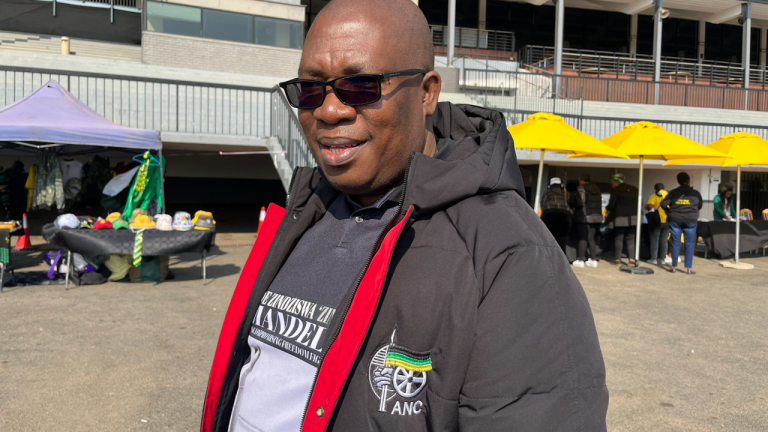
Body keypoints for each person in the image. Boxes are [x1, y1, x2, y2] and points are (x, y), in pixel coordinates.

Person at [200, 1, 608, 431]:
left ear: (427, 92)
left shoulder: (509, 255)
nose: (328, 110)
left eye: (361, 85)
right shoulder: (307, 209)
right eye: (310, 89)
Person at [661, 172, 703, 274]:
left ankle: (674, 267)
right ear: (689, 181)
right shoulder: (696, 193)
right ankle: (688, 268)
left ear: (678, 181)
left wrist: (668, 210)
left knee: (675, 243)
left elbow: (663, 204)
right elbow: (700, 205)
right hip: (690, 220)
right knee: (689, 243)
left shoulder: (673, 192)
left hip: (675, 219)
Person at [570, 173, 604, 268]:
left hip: (584, 217)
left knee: (582, 238)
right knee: (591, 238)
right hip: (596, 217)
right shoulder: (597, 189)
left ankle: (581, 260)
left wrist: (573, 204)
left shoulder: (581, 189)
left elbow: (580, 202)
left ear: (581, 180)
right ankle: (593, 260)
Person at [606, 173, 639, 266]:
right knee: (631, 238)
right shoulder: (634, 189)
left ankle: (617, 259)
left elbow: (612, 205)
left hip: (620, 217)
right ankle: (632, 259)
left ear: (616, 182)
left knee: (619, 238)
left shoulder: (616, 190)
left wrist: (607, 209)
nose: (612, 184)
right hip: (633, 218)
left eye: (612, 182)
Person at [539, 177, 572, 255]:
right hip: (564, 215)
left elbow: (542, 205)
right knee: (562, 238)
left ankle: (549, 256)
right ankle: (562, 257)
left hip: (549, 214)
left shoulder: (546, 193)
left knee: (549, 237)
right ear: (560, 184)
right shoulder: (567, 193)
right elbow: (570, 204)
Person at [645, 183, 670, 265]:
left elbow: (650, 206)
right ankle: (662, 259)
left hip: (656, 220)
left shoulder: (654, 195)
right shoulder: (669, 195)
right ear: (664, 188)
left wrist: (649, 206)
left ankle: (654, 259)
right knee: (664, 241)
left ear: (655, 189)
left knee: (654, 240)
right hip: (667, 220)